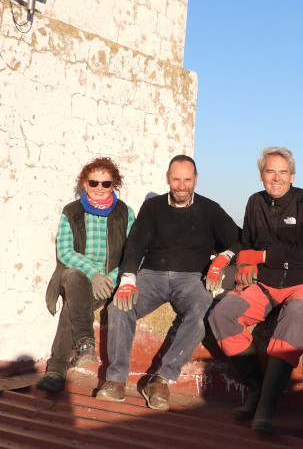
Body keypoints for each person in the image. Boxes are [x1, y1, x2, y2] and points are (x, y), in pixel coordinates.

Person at [95, 155, 242, 411]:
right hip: (152, 276)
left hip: (191, 279)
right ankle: (115, 380)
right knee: (119, 306)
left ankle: (161, 380)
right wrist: (128, 278)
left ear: (196, 179)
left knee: (201, 312)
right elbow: (136, 243)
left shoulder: (210, 209)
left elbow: (239, 239)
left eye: (187, 179)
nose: (182, 185)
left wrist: (223, 258)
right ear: (167, 179)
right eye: (176, 179)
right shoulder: (152, 207)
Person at [207, 146, 303, 435]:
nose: (277, 178)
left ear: (292, 175)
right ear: (261, 175)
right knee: (222, 314)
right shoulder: (254, 202)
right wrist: (243, 261)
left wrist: (259, 258)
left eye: (283, 172)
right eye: (270, 171)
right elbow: (248, 242)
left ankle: (266, 408)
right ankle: (256, 391)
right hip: (266, 284)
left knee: (294, 318)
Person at [38, 157, 135, 392]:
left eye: (106, 183)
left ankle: (58, 367)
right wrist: (94, 274)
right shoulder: (71, 211)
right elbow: (65, 251)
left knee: (73, 306)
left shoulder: (125, 212)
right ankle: (83, 340)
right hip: (80, 275)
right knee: (72, 277)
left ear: (114, 185)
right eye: (94, 183)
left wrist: (112, 277)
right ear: (84, 183)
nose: (100, 188)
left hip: (109, 280)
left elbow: (135, 251)